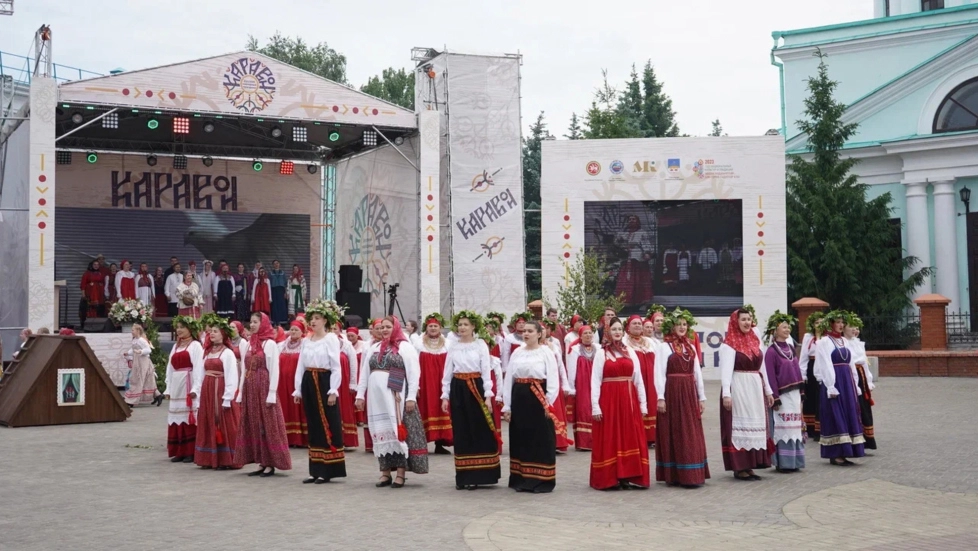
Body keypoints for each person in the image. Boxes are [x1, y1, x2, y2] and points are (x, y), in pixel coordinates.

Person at [355, 316, 428, 489]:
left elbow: (413, 373)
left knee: (397, 431)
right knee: (380, 431)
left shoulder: (405, 347)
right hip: (376, 398)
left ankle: (400, 473)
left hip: (395, 395)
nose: (384, 330)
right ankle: (385, 472)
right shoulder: (374, 348)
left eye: (388, 327)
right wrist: (360, 395)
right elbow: (365, 373)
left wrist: (411, 397)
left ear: (395, 328)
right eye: (382, 327)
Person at [440, 311, 500, 490]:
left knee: (478, 428)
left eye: (466, 324)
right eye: (460, 324)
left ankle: (479, 475)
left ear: (473, 326)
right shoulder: (453, 347)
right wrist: (445, 396)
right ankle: (464, 476)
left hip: (476, 387)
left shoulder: (480, 344)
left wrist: (488, 396)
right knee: (461, 430)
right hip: (458, 388)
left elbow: (486, 370)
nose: (462, 327)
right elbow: (447, 373)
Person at [590, 318, 649, 490]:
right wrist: (595, 406)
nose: (617, 332)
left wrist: (643, 404)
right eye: (614, 329)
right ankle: (610, 478)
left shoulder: (630, 352)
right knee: (611, 437)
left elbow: (638, 380)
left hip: (629, 402)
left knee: (629, 437)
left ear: (623, 332)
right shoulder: (602, 353)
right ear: (608, 332)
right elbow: (595, 381)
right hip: (609, 401)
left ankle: (627, 476)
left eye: (619, 329)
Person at [654, 308, 709, 487]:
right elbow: (659, 373)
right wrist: (660, 397)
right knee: (676, 430)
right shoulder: (664, 347)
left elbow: (697, 372)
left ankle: (692, 472)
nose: (682, 327)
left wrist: (701, 397)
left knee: (691, 431)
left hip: (689, 392)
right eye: (678, 324)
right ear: (672, 326)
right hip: (673, 392)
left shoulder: (690, 347)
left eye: (684, 324)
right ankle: (676, 474)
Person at [293, 300, 347, 484]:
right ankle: (315, 469)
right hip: (309, 380)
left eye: (317, 318)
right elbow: (300, 365)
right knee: (313, 423)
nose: (313, 321)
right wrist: (298, 390)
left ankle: (328, 469)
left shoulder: (330, 339)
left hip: (324, 381)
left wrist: (333, 390)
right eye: (311, 318)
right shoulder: (306, 341)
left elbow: (336, 366)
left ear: (325, 320)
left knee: (327, 422)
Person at [503, 321, 560, 493]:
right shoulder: (517, 352)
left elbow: (553, 378)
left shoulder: (546, 352)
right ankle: (521, 478)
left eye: (530, 331)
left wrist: (548, 403)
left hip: (538, 396)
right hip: (519, 396)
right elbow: (509, 379)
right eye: (524, 331)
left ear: (539, 334)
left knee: (540, 437)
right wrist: (507, 406)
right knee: (521, 436)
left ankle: (540, 480)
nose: (526, 334)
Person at [234, 312, 293, 477]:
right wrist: (240, 392)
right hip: (250, 386)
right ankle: (261, 461)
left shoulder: (269, 344)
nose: (252, 325)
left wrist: (272, 393)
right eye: (251, 322)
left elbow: (274, 369)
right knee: (253, 423)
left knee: (267, 423)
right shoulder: (248, 344)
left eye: (256, 322)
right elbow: (244, 369)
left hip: (264, 386)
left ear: (264, 324)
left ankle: (270, 462)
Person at [719, 307, 774, 481]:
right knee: (740, 424)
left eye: (749, 319)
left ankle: (751, 464)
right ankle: (740, 467)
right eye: (743, 319)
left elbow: (762, 368)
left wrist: (768, 390)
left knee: (755, 423)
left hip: (755, 387)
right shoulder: (729, 344)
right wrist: (726, 394)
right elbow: (726, 371)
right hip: (739, 386)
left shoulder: (755, 341)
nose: (747, 322)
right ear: (735, 322)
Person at [814, 311, 866, 466]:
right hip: (834, 382)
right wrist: (830, 386)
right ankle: (836, 453)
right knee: (836, 414)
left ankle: (847, 451)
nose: (841, 325)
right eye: (838, 322)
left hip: (847, 381)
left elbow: (851, 364)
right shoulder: (824, 342)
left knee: (848, 412)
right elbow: (825, 364)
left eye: (842, 322)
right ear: (831, 324)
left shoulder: (844, 341)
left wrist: (855, 383)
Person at [193, 316, 241, 469]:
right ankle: (208, 458)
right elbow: (200, 373)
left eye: (216, 331)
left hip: (220, 390)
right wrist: (198, 392)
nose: (212, 334)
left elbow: (232, 376)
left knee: (222, 421)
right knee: (208, 420)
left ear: (223, 334)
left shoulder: (227, 353)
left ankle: (225, 459)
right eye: (211, 331)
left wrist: (227, 398)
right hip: (208, 390)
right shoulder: (207, 352)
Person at [763, 310, 806, 473]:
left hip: (794, 394)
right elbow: (770, 375)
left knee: (794, 427)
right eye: (784, 327)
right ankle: (784, 462)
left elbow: (797, 370)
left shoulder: (790, 348)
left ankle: (796, 461)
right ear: (775, 330)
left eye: (788, 327)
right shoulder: (771, 352)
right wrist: (775, 397)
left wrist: (801, 393)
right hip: (782, 395)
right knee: (784, 427)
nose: (788, 330)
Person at [163, 316, 204, 463]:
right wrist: (168, 388)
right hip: (176, 385)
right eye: (178, 327)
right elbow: (170, 368)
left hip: (188, 383)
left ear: (190, 329)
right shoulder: (176, 346)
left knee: (189, 418)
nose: (179, 330)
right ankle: (179, 450)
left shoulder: (195, 346)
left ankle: (190, 451)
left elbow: (199, 368)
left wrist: (195, 388)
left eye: (182, 327)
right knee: (177, 418)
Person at [416, 313, 453, 453]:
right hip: (425, 382)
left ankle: (440, 443)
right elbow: (414, 364)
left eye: (435, 326)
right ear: (426, 327)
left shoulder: (448, 343)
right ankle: (421, 444)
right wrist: (416, 385)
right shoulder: (419, 343)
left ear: (440, 328)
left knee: (442, 408)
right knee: (425, 408)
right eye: (430, 326)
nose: (433, 328)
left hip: (442, 382)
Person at [624, 315, 657, 448]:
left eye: (639, 323)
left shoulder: (650, 342)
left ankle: (652, 437)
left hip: (652, 380)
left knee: (652, 405)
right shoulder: (624, 342)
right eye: (634, 323)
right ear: (628, 327)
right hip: (636, 380)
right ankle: (639, 436)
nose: (637, 325)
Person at [541, 319, 573, 453]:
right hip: (540, 384)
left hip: (554, 383)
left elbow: (560, 366)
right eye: (542, 329)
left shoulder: (553, 345)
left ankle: (558, 442)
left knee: (556, 412)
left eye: (546, 329)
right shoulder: (530, 348)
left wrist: (565, 385)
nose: (544, 331)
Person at [567, 325, 600, 451]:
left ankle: (597, 440)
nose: (588, 335)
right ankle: (585, 442)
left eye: (590, 333)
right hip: (582, 384)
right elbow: (572, 369)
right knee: (584, 409)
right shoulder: (575, 350)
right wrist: (572, 387)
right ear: (580, 336)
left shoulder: (599, 348)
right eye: (585, 333)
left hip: (596, 381)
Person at [278, 319, 309, 447]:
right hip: (282, 382)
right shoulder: (281, 345)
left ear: (302, 332)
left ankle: (300, 439)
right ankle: (287, 438)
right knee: (285, 406)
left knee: (299, 408)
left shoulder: (306, 345)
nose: (293, 332)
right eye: (292, 329)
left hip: (298, 382)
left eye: (296, 330)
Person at [847, 320, 876, 450]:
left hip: (861, 375)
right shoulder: (843, 342)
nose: (855, 330)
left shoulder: (858, 343)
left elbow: (864, 363)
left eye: (857, 328)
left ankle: (866, 439)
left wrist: (869, 381)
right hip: (850, 375)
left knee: (864, 406)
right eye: (852, 327)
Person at [614, 215, 654, 305]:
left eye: (633, 219)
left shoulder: (642, 233)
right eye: (630, 219)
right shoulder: (625, 234)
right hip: (627, 259)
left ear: (637, 221)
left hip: (638, 260)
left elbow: (646, 245)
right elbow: (617, 243)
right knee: (625, 280)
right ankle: (626, 301)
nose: (631, 221)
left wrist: (647, 253)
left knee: (639, 280)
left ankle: (641, 301)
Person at [332, 322, 360, 449]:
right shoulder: (322, 344)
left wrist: (353, 383)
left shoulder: (346, 345)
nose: (332, 331)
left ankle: (345, 439)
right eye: (330, 329)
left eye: (335, 329)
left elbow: (353, 364)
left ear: (340, 331)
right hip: (327, 381)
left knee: (343, 407)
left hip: (343, 383)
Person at [122, 323, 162, 407]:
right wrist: (128, 353)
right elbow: (133, 349)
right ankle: (157, 395)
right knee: (145, 380)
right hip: (137, 361)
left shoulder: (141, 340)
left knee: (138, 379)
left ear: (138, 330)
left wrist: (140, 351)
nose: (132, 332)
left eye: (133, 330)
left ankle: (132, 400)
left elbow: (148, 350)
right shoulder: (135, 340)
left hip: (143, 362)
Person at [799, 312, 824, 441]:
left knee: (820, 397)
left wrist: (819, 337)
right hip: (811, 367)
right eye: (816, 323)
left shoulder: (826, 338)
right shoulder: (808, 337)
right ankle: (810, 428)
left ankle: (820, 428)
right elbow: (804, 355)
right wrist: (802, 375)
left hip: (822, 367)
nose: (819, 325)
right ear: (812, 325)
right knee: (811, 397)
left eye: (821, 323)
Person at [268, 260, 289, 326]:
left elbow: (285, 284)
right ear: (273, 265)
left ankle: (282, 321)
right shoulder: (270, 273)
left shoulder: (283, 273)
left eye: (277, 263)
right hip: (273, 291)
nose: (276, 265)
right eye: (274, 264)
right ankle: (274, 321)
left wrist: (285, 292)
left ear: (279, 264)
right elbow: (268, 284)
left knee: (281, 306)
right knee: (274, 306)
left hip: (281, 291)